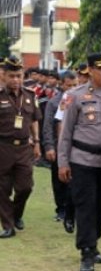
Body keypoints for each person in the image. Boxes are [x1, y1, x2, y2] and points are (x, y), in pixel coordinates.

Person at [57, 53, 101, 271]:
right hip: (82, 159)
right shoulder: (75, 95)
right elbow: (65, 132)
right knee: (86, 204)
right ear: (91, 70)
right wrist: (63, 162)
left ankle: (93, 243)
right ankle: (86, 252)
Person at [0, 56, 41, 238]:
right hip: (3, 147)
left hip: (24, 148)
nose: (16, 80)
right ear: (4, 76)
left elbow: (34, 120)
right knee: (2, 189)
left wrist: (37, 141)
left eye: (19, 76)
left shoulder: (30, 96)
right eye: (12, 76)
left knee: (26, 187)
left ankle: (16, 215)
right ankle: (8, 226)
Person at [44, 71, 77, 231]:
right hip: (58, 147)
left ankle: (72, 209)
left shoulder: (80, 100)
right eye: (68, 85)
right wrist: (49, 146)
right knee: (59, 181)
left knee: (74, 180)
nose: (71, 88)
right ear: (61, 84)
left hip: (75, 147)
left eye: (74, 85)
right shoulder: (54, 102)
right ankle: (61, 209)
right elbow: (48, 126)